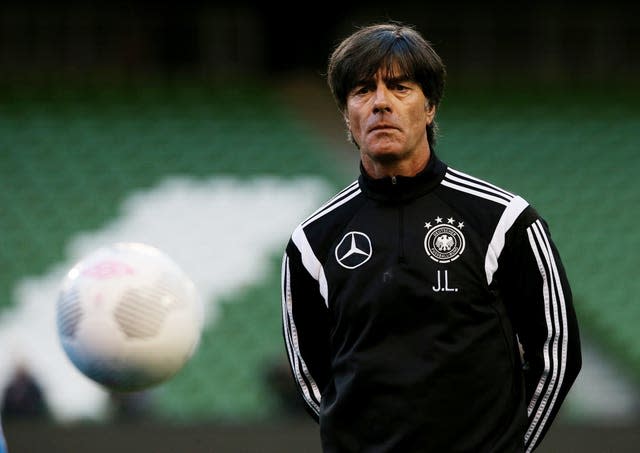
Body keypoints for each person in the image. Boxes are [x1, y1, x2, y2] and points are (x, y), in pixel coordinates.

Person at [280, 21, 581, 452]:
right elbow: (312, 377)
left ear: (430, 107)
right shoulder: (312, 241)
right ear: (347, 114)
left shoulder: (503, 220)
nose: (380, 103)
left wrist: (508, 446)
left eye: (400, 87)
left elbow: (558, 353)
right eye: (363, 91)